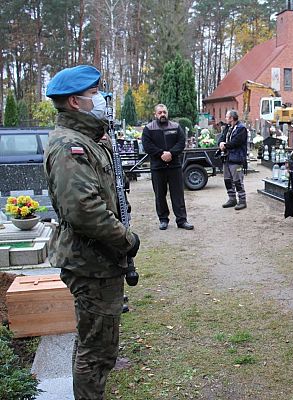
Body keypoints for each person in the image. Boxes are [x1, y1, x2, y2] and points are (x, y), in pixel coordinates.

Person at [44, 65, 141, 399]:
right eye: (94, 93)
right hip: (91, 262)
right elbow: (85, 211)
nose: (100, 99)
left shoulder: (86, 138)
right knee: (96, 351)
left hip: (97, 259)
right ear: (75, 101)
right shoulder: (71, 147)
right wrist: (126, 240)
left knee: (92, 341)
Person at [142, 104, 194, 230]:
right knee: (160, 194)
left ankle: (182, 220)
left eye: (164, 112)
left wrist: (171, 153)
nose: (162, 115)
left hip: (174, 166)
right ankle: (163, 219)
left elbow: (181, 143)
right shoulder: (149, 129)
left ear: (167, 113)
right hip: (157, 167)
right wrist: (161, 154)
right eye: (159, 113)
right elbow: (147, 145)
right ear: (155, 114)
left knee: (178, 194)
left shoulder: (176, 127)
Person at [218, 109, 248, 210]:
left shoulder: (241, 128)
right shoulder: (228, 127)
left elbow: (236, 142)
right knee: (227, 179)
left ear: (231, 118)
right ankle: (232, 199)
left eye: (227, 117)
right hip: (226, 157)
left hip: (236, 158)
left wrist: (225, 145)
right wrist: (221, 143)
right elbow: (221, 138)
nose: (226, 118)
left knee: (237, 180)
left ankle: (242, 200)